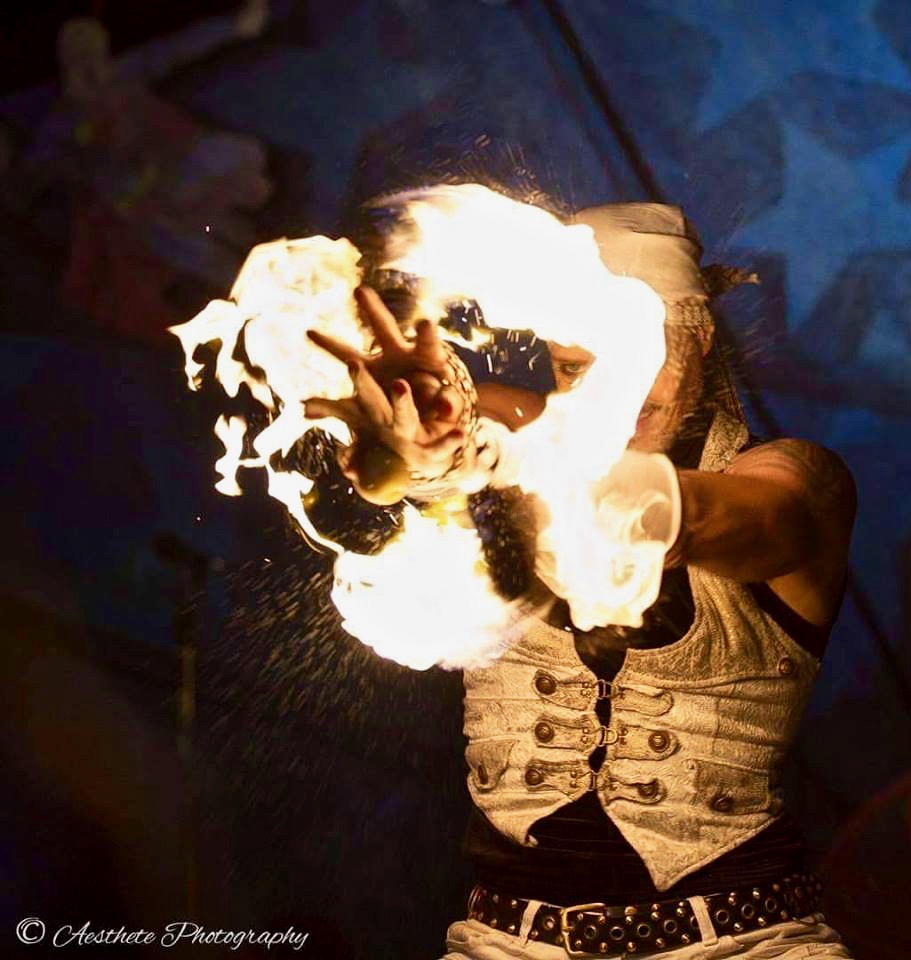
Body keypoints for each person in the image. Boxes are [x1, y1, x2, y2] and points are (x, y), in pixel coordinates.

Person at [305, 201, 857, 958]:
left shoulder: (797, 477)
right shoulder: (507, 436)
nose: (611, 395)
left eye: (639, 357)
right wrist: (420, 449)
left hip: (746, 943)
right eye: (574, 367)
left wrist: (501, 465)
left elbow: (733, 518)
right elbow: (428, 435)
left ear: (699, 336)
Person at [30, 2, 273, 343]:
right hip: (147, 203)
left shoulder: (124, 72)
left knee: (235, 200)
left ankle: (273, 262)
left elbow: (175, 50)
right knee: (198, 248)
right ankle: (256, 307)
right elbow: (44, 167)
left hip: (185, 161)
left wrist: (233, 27)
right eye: (78, 54)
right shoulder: (62, 122)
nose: (89, 62)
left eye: (93, 50)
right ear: (67, 61)